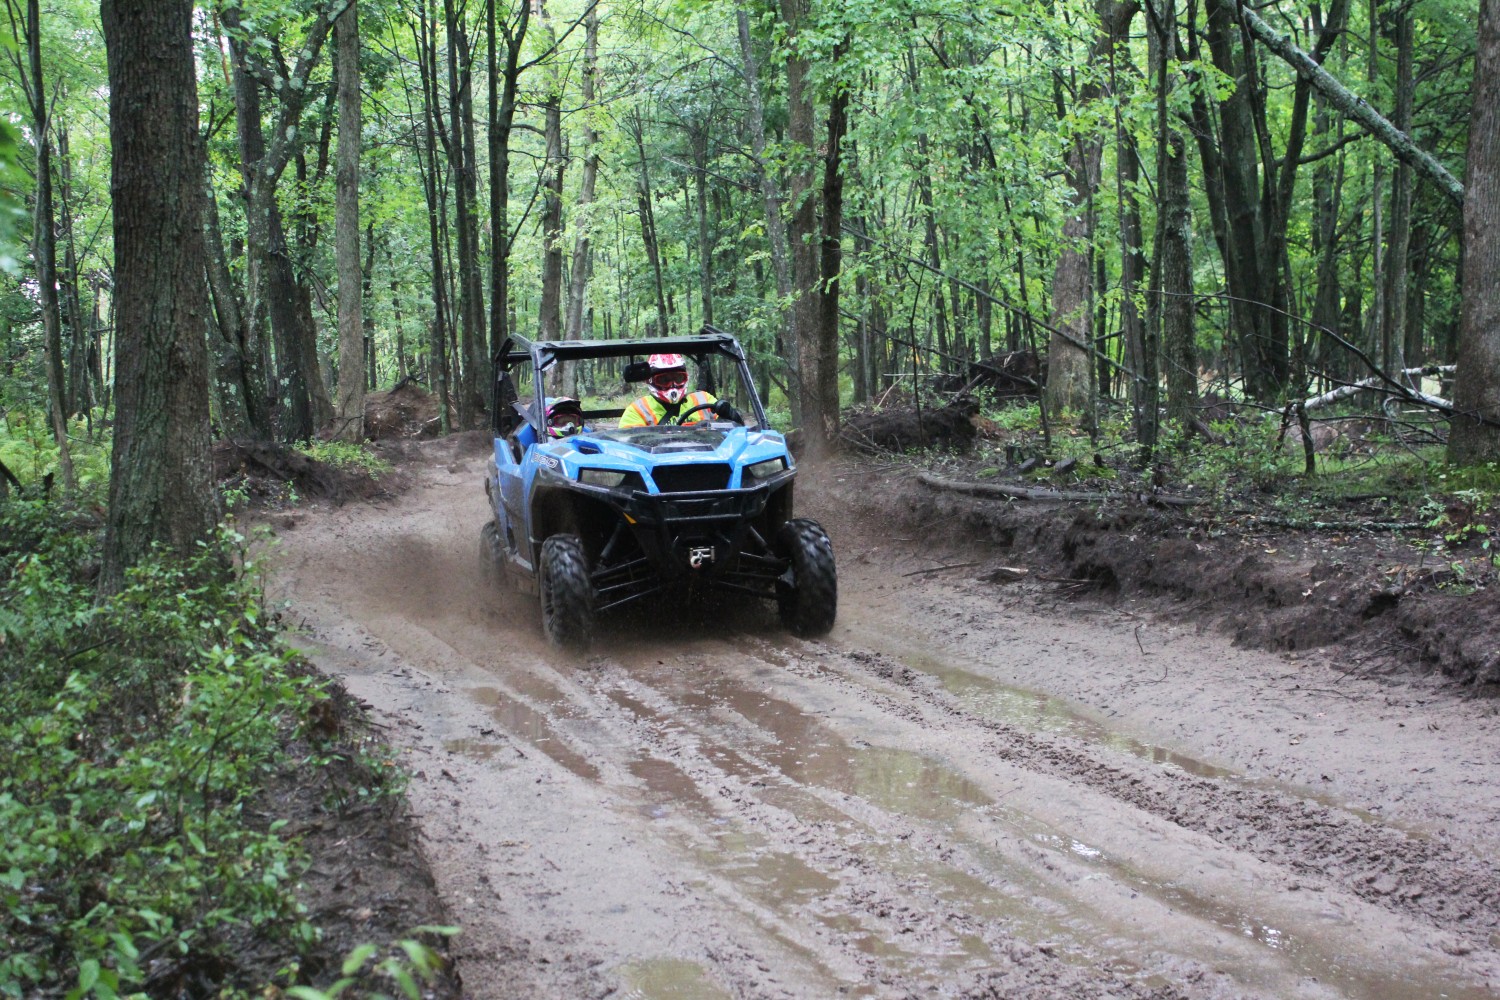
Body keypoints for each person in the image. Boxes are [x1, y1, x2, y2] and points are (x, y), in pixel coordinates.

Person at [618, 354, 738, 428]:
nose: (673, 385)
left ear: (686, 378)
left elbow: (731, 433)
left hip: (705, 462)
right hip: (658, 467)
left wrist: (731, 416)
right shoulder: (638, 410)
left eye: (678, 378)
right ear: (651, 381)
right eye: (664, 380)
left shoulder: (704, 399)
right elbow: (628, 447)